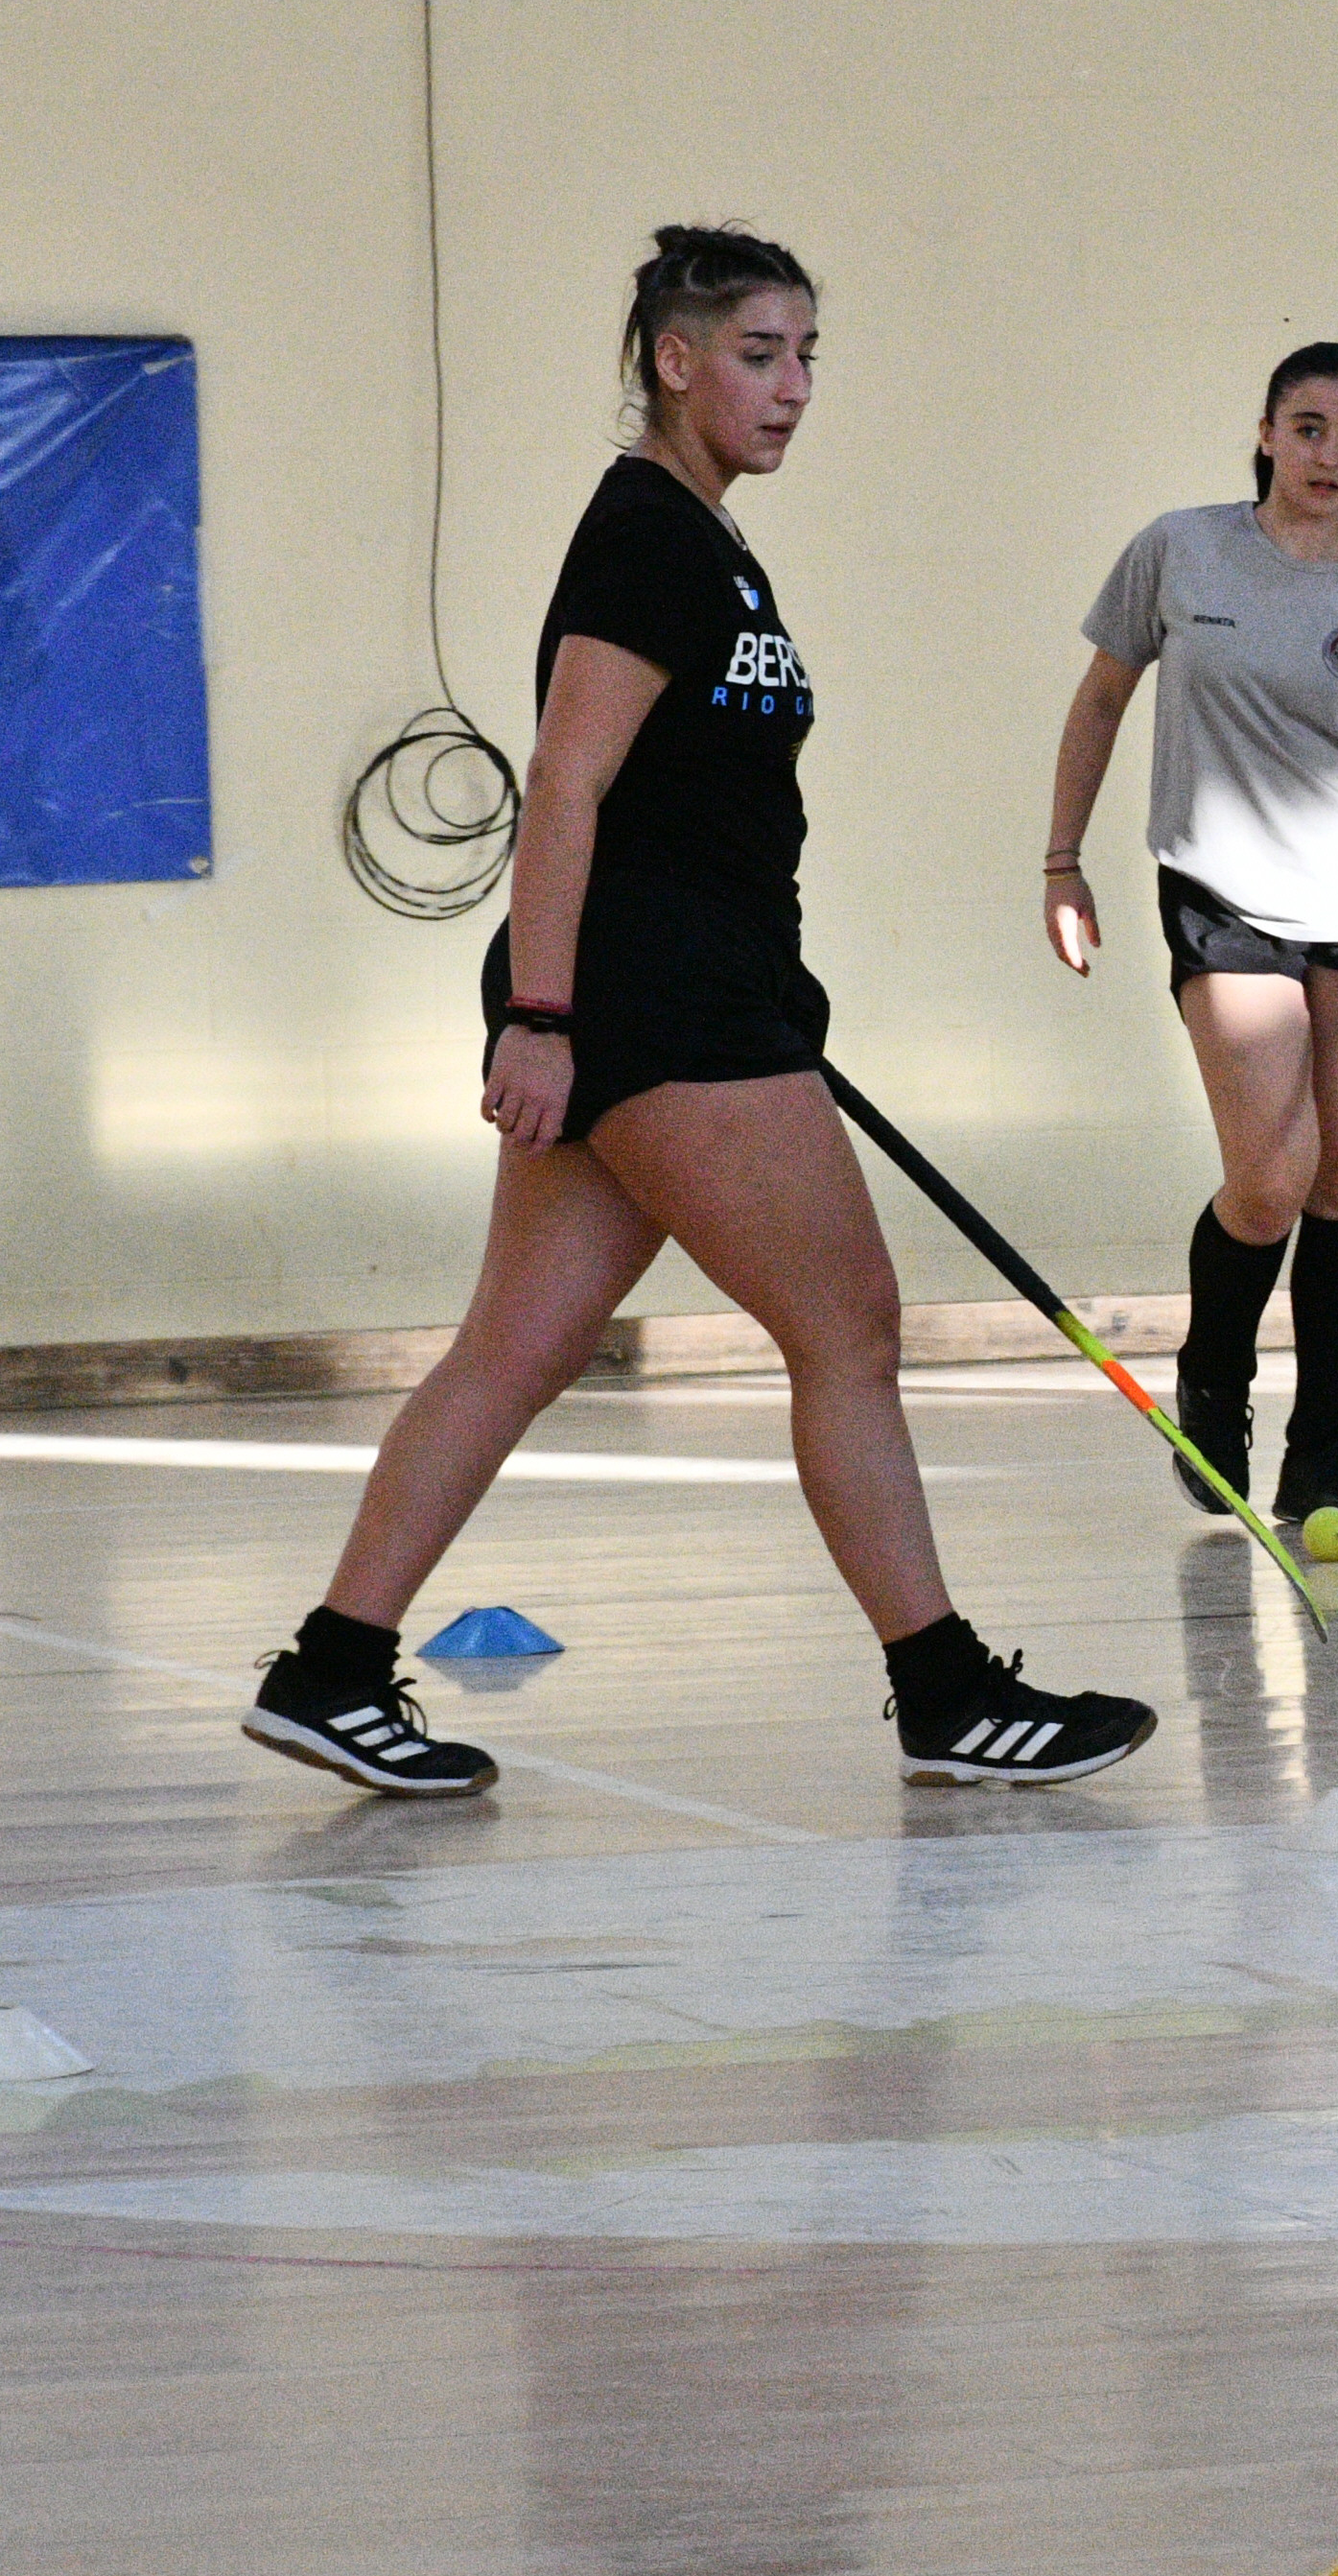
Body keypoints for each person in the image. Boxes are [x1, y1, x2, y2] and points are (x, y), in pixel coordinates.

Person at [242, 225, 1155, 1801]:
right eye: (759, 353)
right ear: (672, 360)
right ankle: (943, 1690)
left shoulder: (704, 540)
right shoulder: (649, 539)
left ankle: (331, 1669)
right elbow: (564, 782)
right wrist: (540, 1010)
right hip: (652, 1007)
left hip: (666, 995)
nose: (794, 387)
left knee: (513, 1350)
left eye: (808, 357)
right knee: (848, 1329)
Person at [1043, 343, 1338, 1535]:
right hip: (1222, 897)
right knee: (1271, 1175)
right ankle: (1215, 1383)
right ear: (1262, 432)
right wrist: (1062, 860)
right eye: (1306, 428)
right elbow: (1100, 699)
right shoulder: (1180, 549)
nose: (1327, 455)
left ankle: (1321, 1454)